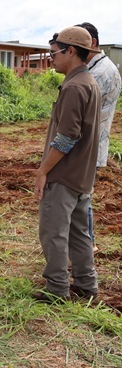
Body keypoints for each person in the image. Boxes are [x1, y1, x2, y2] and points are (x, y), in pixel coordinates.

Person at [32, 26, 101, 303]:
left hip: (63, 175)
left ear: (70, 51)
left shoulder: (74, 86)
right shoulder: (89, 82)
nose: (51, 58)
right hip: (82, 175)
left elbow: (67, 137)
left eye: (54, 53)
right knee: (79, 233)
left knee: (52, 232)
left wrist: (43, 170)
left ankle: (57, 289)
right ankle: (87, 285)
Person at [77, 22, 122, 254]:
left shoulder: (99, 73)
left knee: (82, 200)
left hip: (89, 145)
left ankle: (87, 246)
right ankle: (86, 245)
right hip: (94, 142)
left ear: (92, 43)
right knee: (83, 198)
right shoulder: (101, 68)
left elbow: (81, 112)